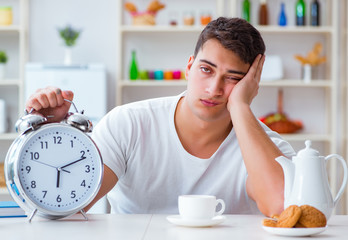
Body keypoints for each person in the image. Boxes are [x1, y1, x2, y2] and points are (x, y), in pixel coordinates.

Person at [25, 17, 295, 217]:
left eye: (233, 79)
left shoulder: (267, 147)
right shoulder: (128, 123)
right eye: (206, 69)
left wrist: (241, 108)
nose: (214, 89)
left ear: (251, 86)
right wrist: (49, 135)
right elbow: (66, 208)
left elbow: (282, 208)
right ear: (189, 67)